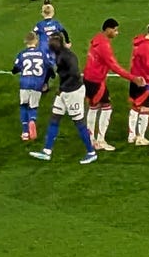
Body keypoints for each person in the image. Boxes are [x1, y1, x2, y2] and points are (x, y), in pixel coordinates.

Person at [29, 33, 98, 165]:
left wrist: (62, 88)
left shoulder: (69, 57)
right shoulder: (58, 53)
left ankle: (91, 152)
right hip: (64, 91)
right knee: (54, 118)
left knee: (79, 122)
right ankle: (47, 151)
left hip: (74, 92)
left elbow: (74, 75)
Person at [83, 17, 133, 151]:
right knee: (106, 108)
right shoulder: (104, 46)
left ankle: (91, 138)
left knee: (94, 107)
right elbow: (114, 66)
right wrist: (132, 78)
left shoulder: (96, 39)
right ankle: (99, 140)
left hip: (88, 79)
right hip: (96, 81)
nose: (116, 33)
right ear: (108, 29)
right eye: (115, 30)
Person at [12, 32, 50, 141]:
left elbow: (15, 69)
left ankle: (24, 132)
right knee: (33, 106)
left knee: (23, 105)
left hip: (24, 83)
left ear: (25, 42)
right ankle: (32, 120)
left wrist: (16, 70)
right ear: (36, 41)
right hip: (37, 84)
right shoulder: (42, 53)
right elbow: (49, 67)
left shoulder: (22, 54)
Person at [127, 24, 149, 147]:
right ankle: (141, 137)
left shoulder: (139, 43)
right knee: (145, 109)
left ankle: (131, 135)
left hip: (134, 78)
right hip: (144, 81)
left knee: (135, 107)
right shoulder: (147, 47)